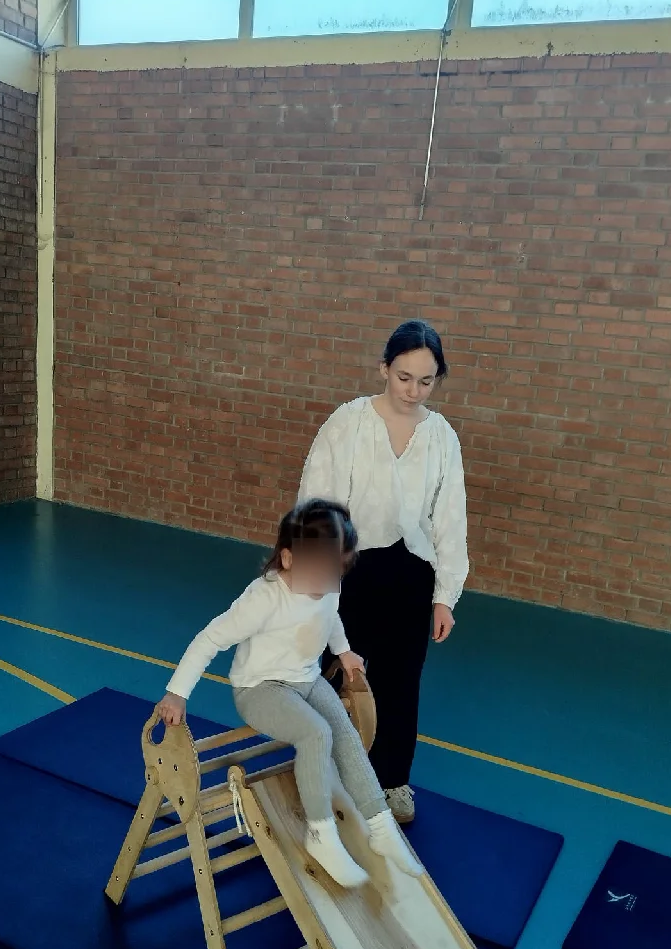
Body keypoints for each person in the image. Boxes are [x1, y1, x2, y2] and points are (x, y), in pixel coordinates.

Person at [156, 498, 423, 889]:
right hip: (260, 688)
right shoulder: (264, 598)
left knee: (344, 732)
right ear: (288, 558)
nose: (326, 584)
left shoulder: (327, 585)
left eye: (335, 571)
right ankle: (320, 835)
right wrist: (177, 693)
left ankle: (381, 826)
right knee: (317, 734)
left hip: (306, 679)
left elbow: (330, 616)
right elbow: (210, 639)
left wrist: (344, 650)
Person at [299, 320, 468, 826]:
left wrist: (445, 596)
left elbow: (450, 517)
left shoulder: (441, 437)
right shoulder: (348, 424)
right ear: (383, 369)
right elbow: (317, 501)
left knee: (400, 681)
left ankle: (392, 780)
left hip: (411, 574)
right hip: (351, 568)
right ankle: (325, 771)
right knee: (338, 674)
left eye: (426, 381)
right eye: (403, 377)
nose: (413, 390)